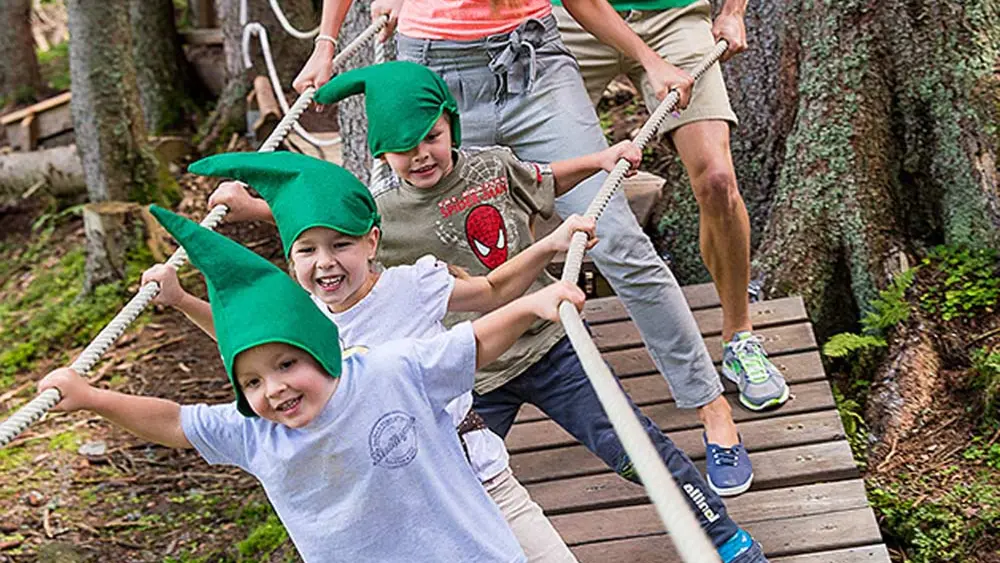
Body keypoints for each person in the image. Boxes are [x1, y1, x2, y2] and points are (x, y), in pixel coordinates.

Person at [292, 0, 785, 497]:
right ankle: (455, 443)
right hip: (434, 65)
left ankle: (709, 404)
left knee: (618, 241)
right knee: (443, 253)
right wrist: (326, 43)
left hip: (532, 56)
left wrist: (648, 58)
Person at [40, 204, 589, 562]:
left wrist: (532, 306)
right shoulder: (256, 431)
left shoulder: (385, 372)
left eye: (287, 366)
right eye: (251, 382)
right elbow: (175, 422)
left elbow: (473, 341)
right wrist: (91, 398)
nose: (273, 388)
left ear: (325, 350)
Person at [551, 0, 788, 414]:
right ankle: (528, 352)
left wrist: (733, 12)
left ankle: (740, 336)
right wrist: (647, 58)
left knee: (717, 180)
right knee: (539, 177)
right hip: (573, 19)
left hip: (671, 15)